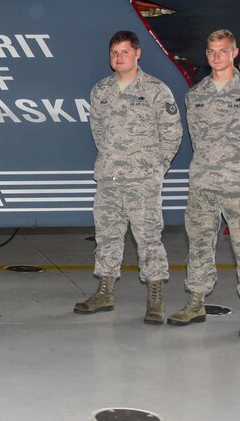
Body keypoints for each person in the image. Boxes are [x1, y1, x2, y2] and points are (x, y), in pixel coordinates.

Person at [167, 30, 240, 338]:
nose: (217, 56)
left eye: (223, 50)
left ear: (234, 52)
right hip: (203, 185)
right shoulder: (196, 95)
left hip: (239, 187)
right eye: (212, 51)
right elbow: (196, 139)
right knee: (199, 245)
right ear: (207, 54)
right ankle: (196, 301)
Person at [75, 30, 183, 324]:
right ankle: (105, 292)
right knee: (107, 236)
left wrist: (157, 167)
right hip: (109, 178)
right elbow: (98, 130)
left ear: (138, 54)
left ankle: (155, 297)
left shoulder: (156, 90)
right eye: (114, 53)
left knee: (148, 239)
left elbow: (172, 133)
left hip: (142, 180)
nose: (118, 58)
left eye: (124, 52)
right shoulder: (101, 91)